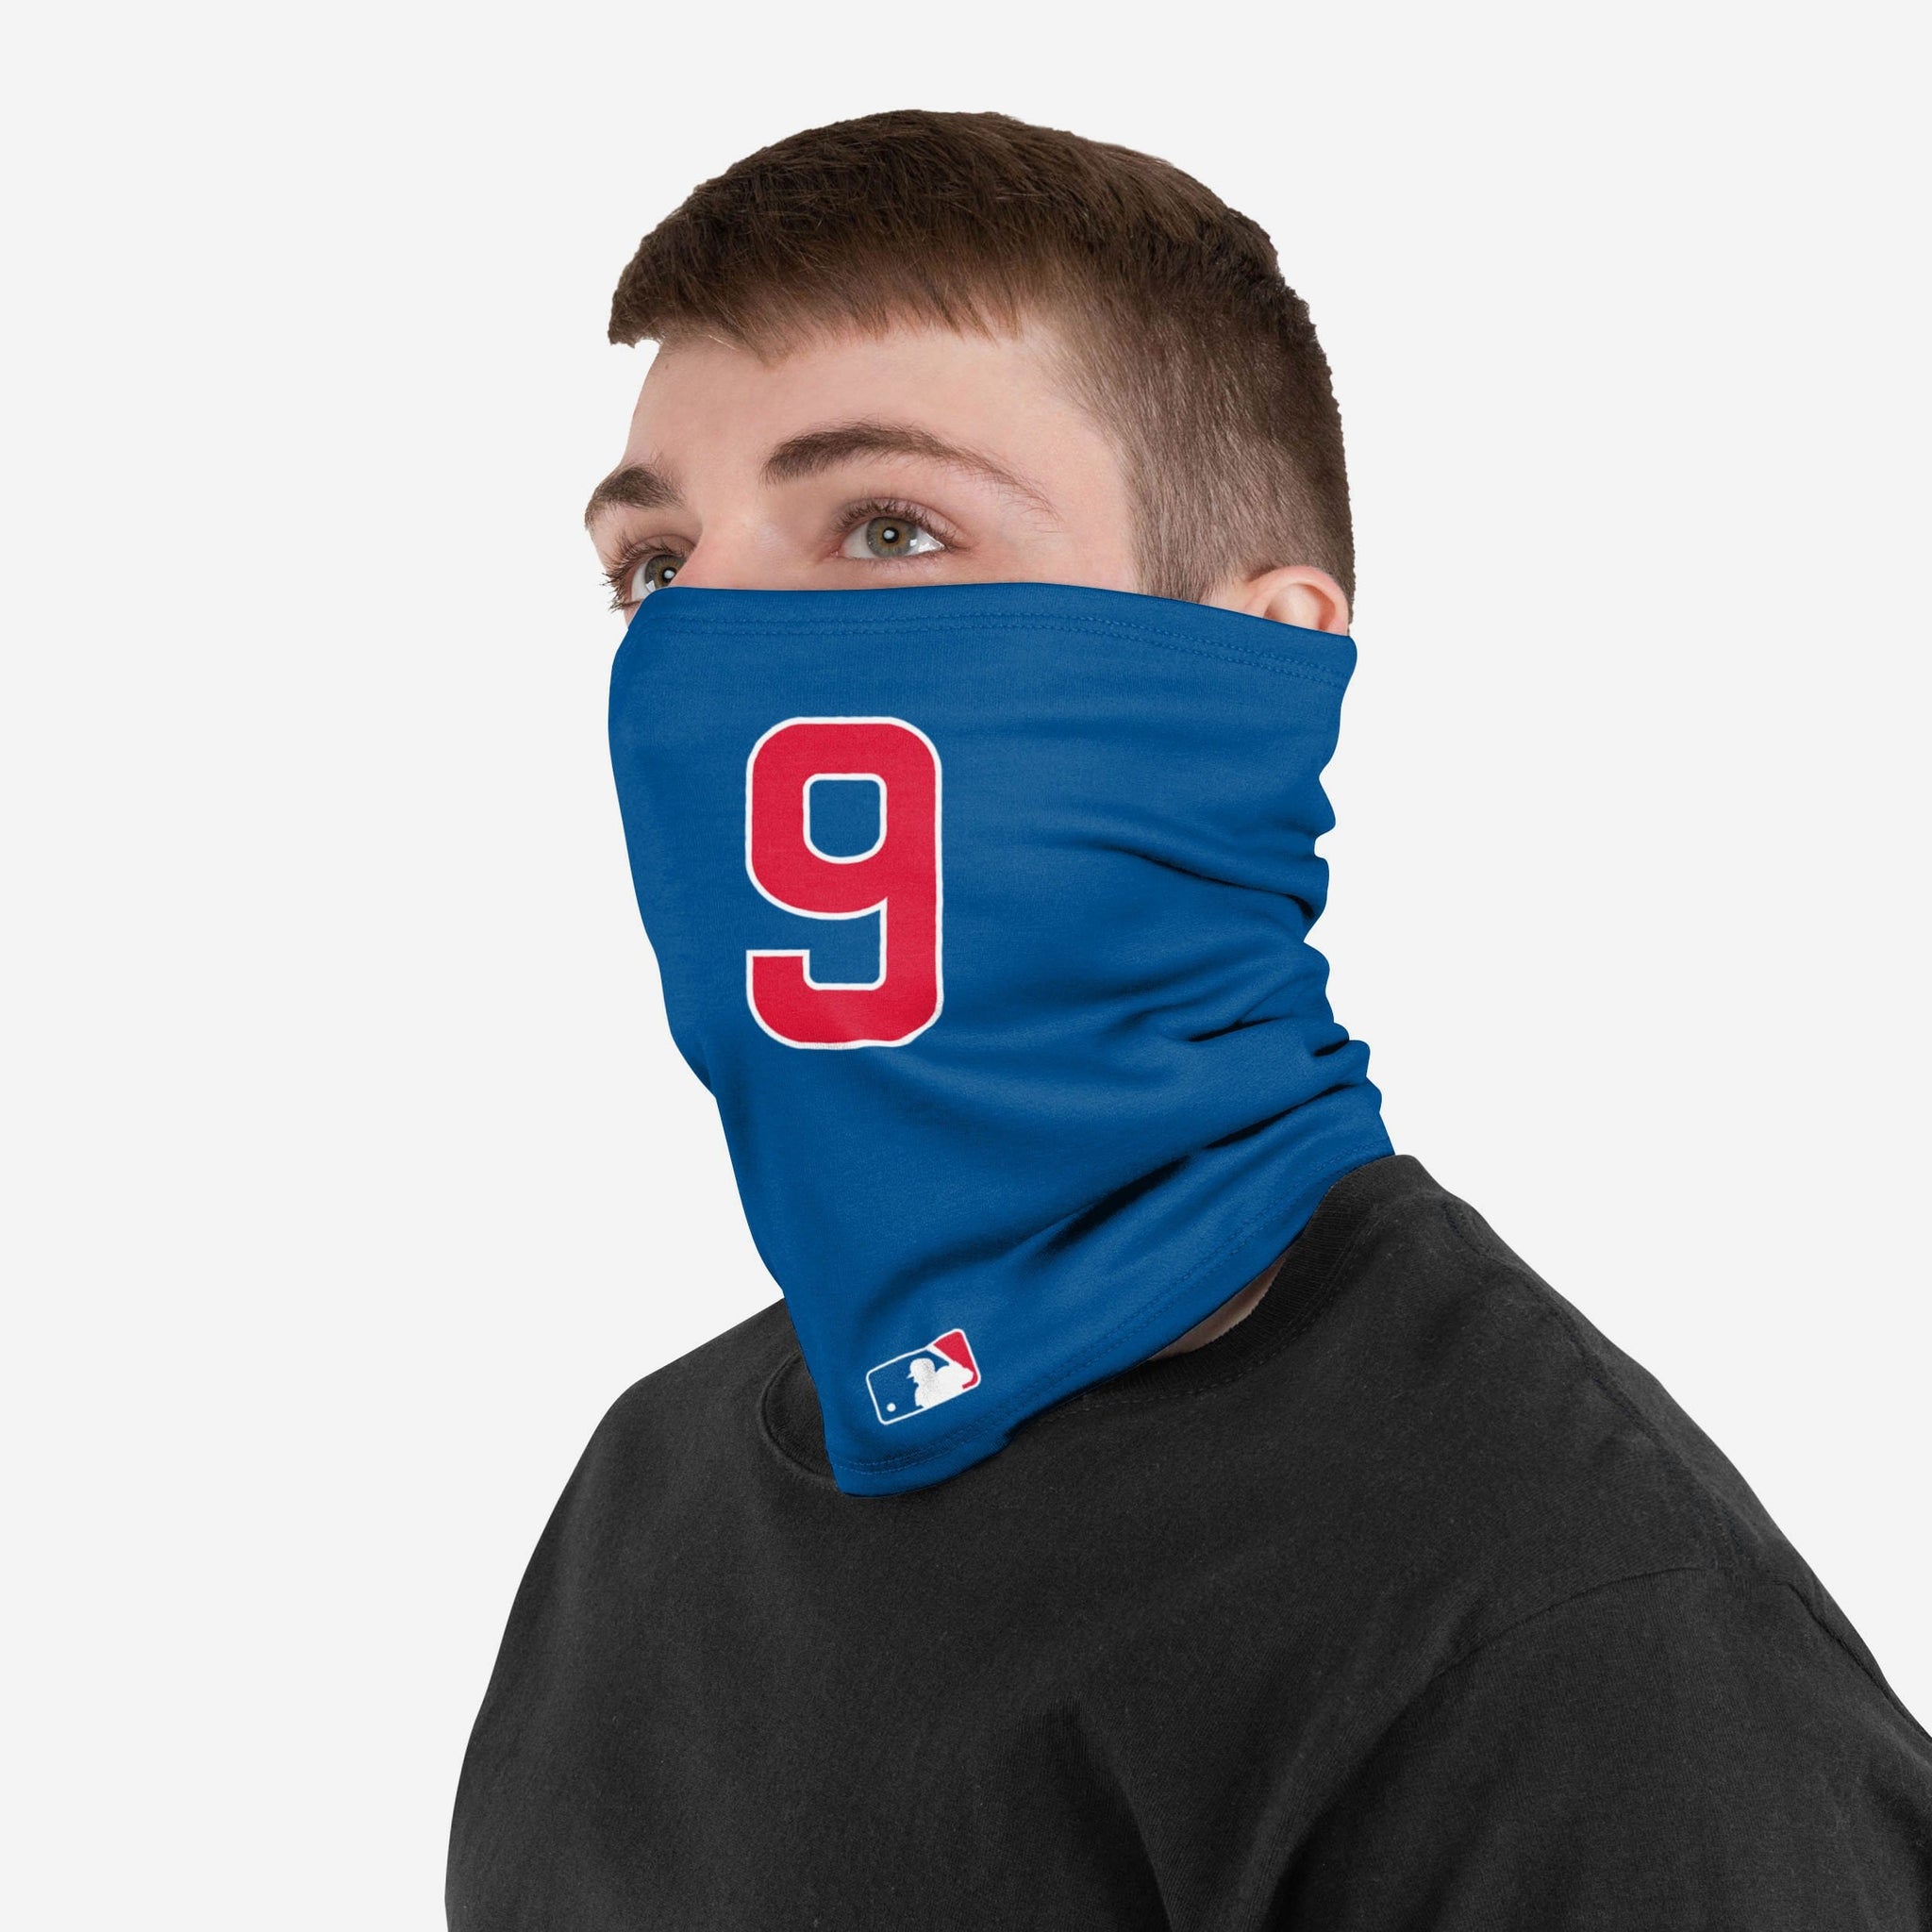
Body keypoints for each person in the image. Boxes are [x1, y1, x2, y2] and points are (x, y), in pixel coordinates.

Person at [446, 109, 1932, 1928]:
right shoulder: (652, 1495)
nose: (705, 650)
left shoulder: (1567, 1640)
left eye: (889, 529)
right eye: (657, 568)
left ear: (1257, 657)